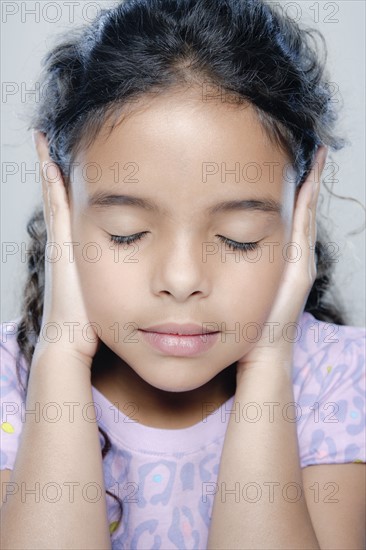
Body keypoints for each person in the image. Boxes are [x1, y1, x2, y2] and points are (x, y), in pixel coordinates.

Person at [1, 0, 365, 548]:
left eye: (238, 237)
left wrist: (268, 361)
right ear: (61, 197)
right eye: (126, 232)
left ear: (300, 210)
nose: (181, 277)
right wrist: (61, 353)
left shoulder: (337, 378)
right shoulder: (13, 382)